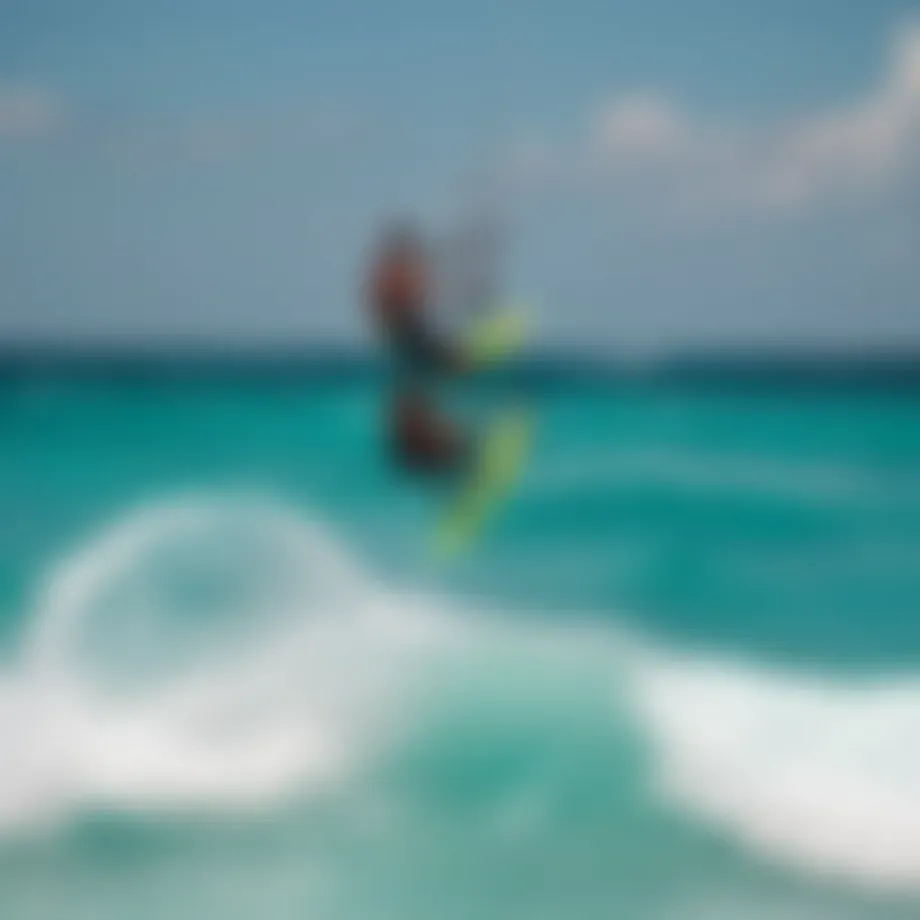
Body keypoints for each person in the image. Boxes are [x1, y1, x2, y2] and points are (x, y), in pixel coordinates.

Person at [368, 223, 471, 477]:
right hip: (408, 334)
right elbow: (396, 304)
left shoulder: (396, 276)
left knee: (424, 390)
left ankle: (446, 453)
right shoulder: (394, 276)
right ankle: (443, 454)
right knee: (421, 390)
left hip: (410, 335)